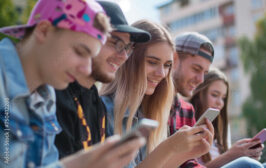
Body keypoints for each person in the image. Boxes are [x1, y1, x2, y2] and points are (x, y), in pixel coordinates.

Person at [0, 0, 144, 168]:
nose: (86, 69)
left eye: (91, 56)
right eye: (80, 52)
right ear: (44, 31)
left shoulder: (46, 96)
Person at [100, 20, 213, 168]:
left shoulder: (151, 111)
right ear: (129, 59)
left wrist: (187, 154)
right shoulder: (104, 110)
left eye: (167, 65)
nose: (161, 73)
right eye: (152, 62)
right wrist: (169, 148)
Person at [54, 0, 151, 158]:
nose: (124, 56)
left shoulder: (98, 104)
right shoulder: (53, 93)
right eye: (116, 43)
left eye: (127, 48)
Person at [189, 67, 266, 168]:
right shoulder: (188, 124)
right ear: (199, 93)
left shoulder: (221, 128)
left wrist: (243, 154)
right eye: (214, 95)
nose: (220, 103)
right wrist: (231, 155)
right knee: (249, 164)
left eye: (223, 98)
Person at [168, 32, 215, 168]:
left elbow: (188, 164)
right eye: (196, 69)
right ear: (174, 60)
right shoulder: (150, 103)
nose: (200, 80)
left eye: (205, 73)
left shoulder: (187, 110)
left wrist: (195, 152)